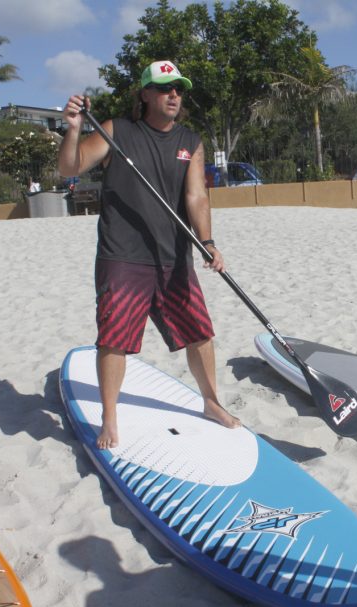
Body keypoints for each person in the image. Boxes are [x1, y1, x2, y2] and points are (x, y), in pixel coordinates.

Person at [57, 60, 240, 449]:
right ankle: (109, 418)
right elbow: (69, 167)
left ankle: (211, 402)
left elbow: (196, 195)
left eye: (178, 88)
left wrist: (207, 242)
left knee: (200, 332)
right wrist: (73, 129)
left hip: (173, 255)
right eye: (163, 87)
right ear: (145, 94)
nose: (173, 94)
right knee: (114, 338)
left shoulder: (190, 140)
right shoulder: (116, 130)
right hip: (122, 256)